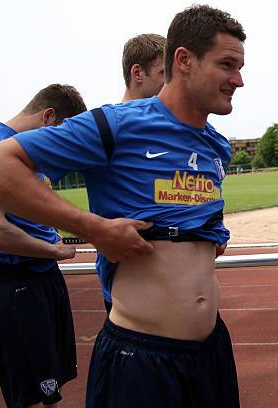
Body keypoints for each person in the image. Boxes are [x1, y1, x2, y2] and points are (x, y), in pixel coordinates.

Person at [0, 5, 245, 407]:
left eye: (240, 67)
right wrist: (91, 227)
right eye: (227, 65)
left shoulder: (216, 145)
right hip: (141, 357)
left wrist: (207, 235)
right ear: (184, 60)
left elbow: (188, 217)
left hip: (211, 350)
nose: (239, 80)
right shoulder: (115, 125)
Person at [0, 84, 87, 408]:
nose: (62, 148)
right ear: (48, 117)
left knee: (49, 387)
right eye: (62, 136)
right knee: (28, 394)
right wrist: (53, 250)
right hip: (14, 282)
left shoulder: (29, 154)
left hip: (42, 277)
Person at [98, 32, 167, 315]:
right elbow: (14, 170)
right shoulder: (105, 126)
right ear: (137, 73)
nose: (172, 82)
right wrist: (90, 227)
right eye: (165, 73)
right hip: (129, 298)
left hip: (178, 293)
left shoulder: (171, 128)